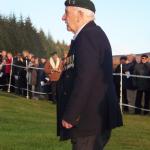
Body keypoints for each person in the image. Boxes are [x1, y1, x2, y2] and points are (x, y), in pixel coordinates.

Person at [57, 0, 123, 150]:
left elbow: (86, 78)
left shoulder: (88, 36)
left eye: (67, 12)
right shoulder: (88, 35)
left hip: (89, 120)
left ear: (80, 14)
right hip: (90, 119)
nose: (63, 17)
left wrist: (72, 113)